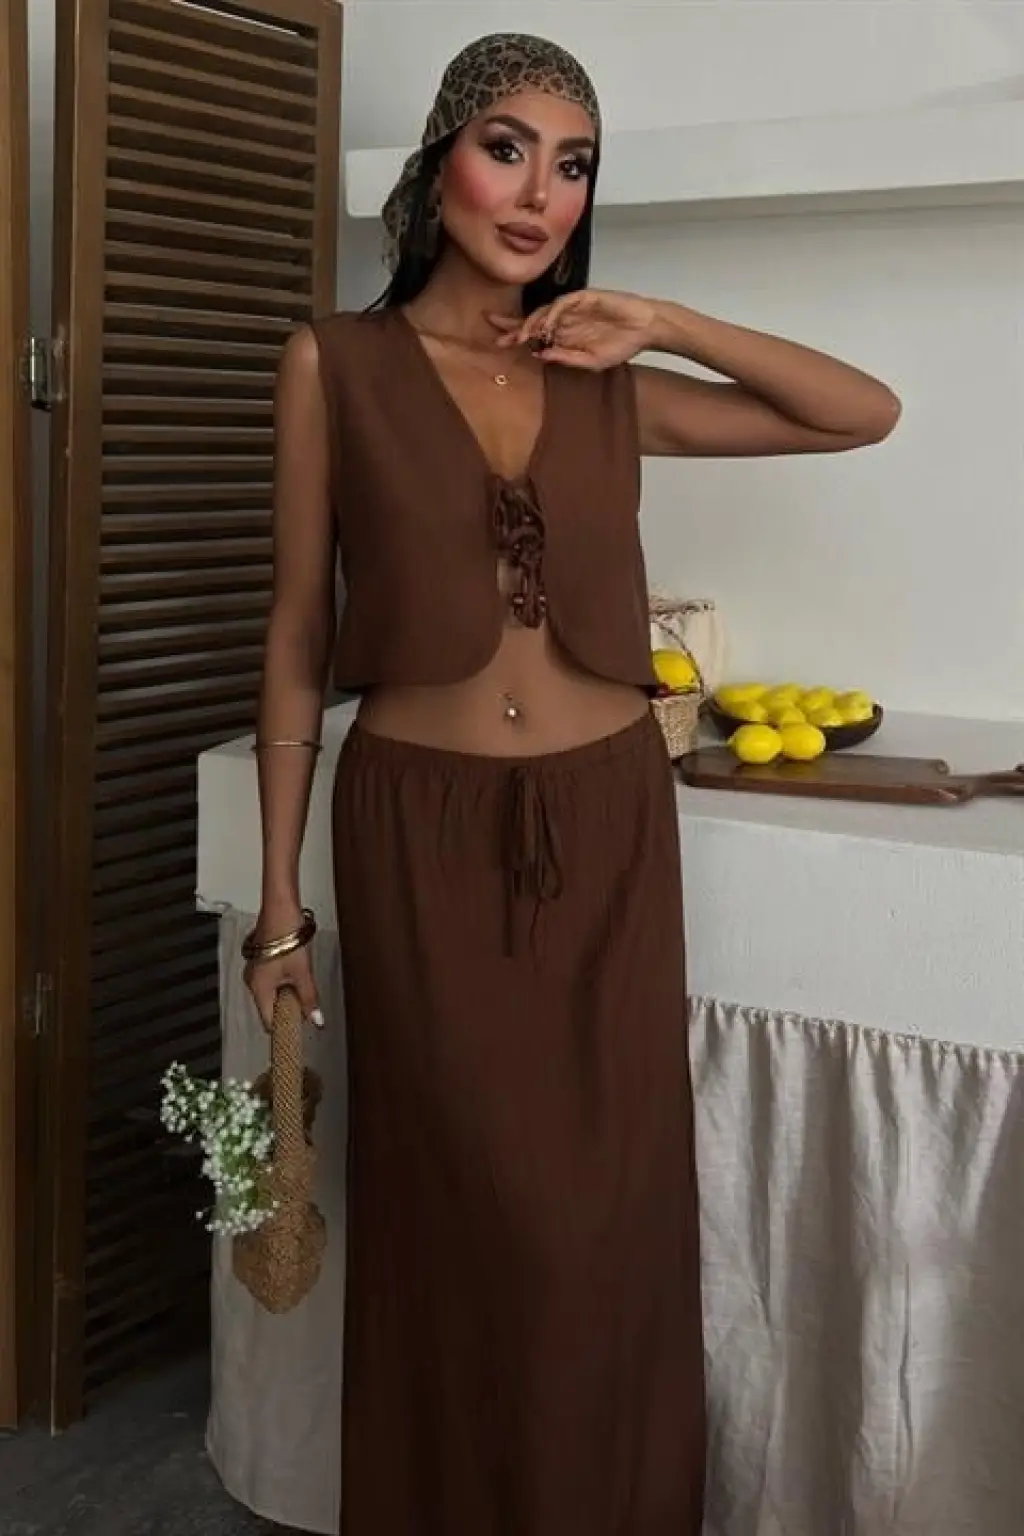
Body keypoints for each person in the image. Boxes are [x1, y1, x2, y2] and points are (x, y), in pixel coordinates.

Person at [241, 31, 900, 1535]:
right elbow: (293, 633)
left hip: (608, 829)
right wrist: (279, 904)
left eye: (575, 163)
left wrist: (662, 320)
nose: (540, 193)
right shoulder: (333, 364)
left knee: (603, 1224)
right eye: (508, 149)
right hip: (417, 831)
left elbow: (861, 411)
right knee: (466, 1214)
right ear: (440, 166)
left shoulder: (609, 380)